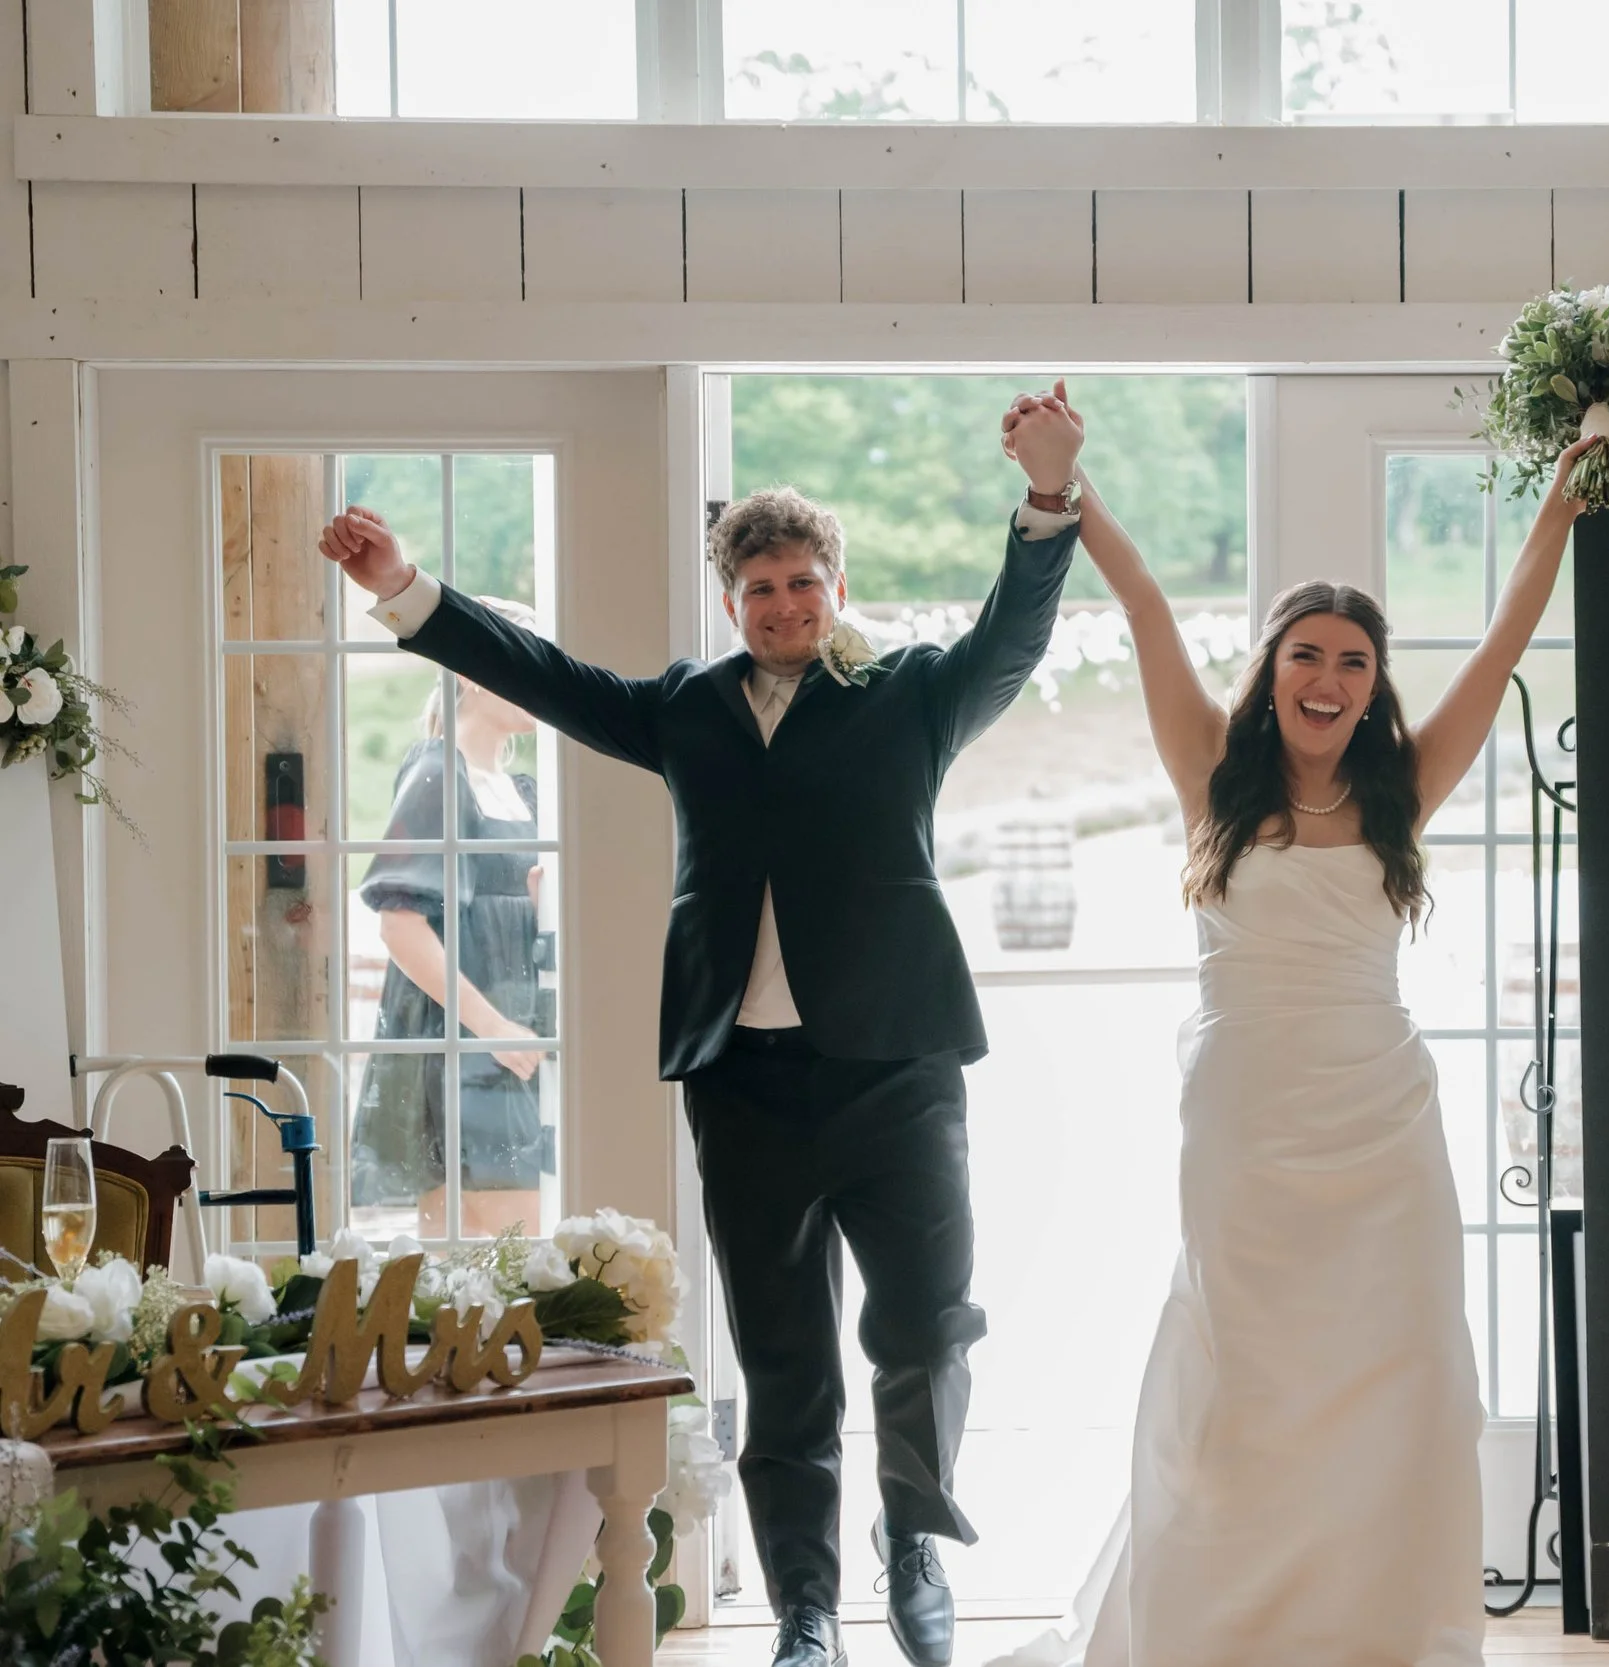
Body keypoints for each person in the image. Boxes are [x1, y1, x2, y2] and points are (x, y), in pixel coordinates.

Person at [320, 389, 1089, 1667]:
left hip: (898, 1072)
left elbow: (1013, 632)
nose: (784, 606)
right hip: (743, 1081)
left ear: (836, 586)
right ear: (731, 601)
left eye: (802, 583)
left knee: (924, 1325)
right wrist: (406, 589)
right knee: (782, 1356)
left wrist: (1049, 496)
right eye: (759, 589)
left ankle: (912, 1536)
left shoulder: (909, 694)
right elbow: (544, 676)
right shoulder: (687, 707)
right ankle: (803, 1609)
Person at [991, 387, 1609, 1667]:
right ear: (1271, 672)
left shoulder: (1403, 791)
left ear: (1373, 689)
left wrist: (1557, 506)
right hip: (1247, 1124)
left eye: (1353, 662)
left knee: (1398, 1370)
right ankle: (1227, 1629)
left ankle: (1369, 1629)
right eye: (1306, 655)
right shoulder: (1208, 777)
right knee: (1248, 1372)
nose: (1328, 678)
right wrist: (1063, 486)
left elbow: (1502, 639)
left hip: (1382, 1124)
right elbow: (1147, 605)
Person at [352, 595, 550, 1241]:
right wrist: (492, 1029)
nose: (540, 679)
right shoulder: (438, 773)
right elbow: (400, 925)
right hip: (467, 1046)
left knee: (506, 1259)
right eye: (522, 661)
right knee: (501, 1254)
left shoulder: (526, 793)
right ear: (471, 673)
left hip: (519, 1045)